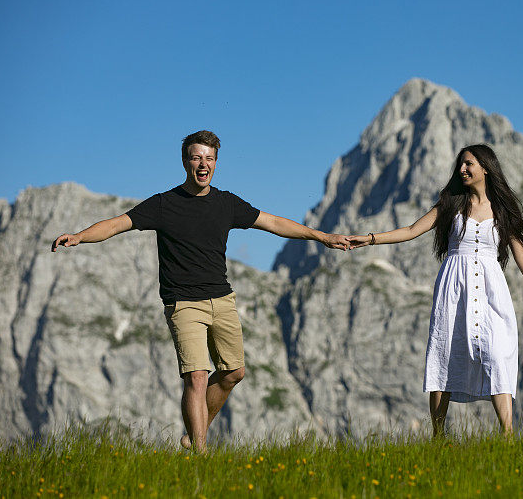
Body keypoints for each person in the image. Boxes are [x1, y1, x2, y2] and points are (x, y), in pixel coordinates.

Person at [52, 130, 350, 451]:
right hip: (183, 304)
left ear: (216, 164)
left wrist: (322, 236)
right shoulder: (164, 205)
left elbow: (275, 223)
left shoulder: (226, 204)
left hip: (222, 299)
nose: (203, 164)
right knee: (195, 376)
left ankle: (194, 434)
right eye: (196, 158)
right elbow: (116, 223)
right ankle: (200, 454)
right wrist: (80, 236)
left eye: (209, 158)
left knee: (234, 372)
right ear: (185, 162)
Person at [349, 144, 523, 437]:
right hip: (453, 290)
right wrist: (370, 239)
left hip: (491, 291)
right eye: (460, 165)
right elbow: (410, 230)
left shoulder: (503, 211)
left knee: (497, 355)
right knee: (444, 354)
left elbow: (520, 252)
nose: (462, 169)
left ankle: (508, 437)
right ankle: (438, 435)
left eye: (468, 164)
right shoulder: (451, 204)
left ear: (486, 167)